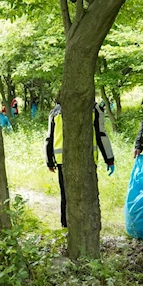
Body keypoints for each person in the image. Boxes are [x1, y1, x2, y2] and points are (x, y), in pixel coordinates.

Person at [44, 97, 114, 228]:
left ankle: (66, 225)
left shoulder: (55, 112)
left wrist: (49, 161)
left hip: (62, 160)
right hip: (87, 159)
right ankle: (87, 224)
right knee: (88, 193)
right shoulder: (94, 109)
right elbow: (101, 134)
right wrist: (109, 159)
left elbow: (49, 138)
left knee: (66, 193)